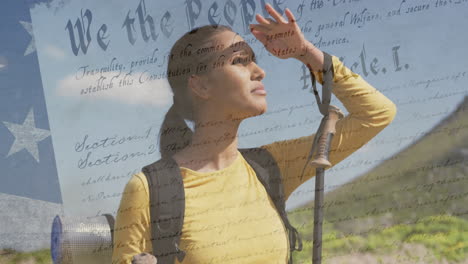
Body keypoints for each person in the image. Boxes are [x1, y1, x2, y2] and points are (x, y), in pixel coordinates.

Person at [111, 3, 397, 264]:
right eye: (240, 60)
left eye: (254, 60)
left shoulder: (271, 166)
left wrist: (305, 52)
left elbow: (376, 114)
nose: (259, 71)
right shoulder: (149, 189)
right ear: (201, 86)